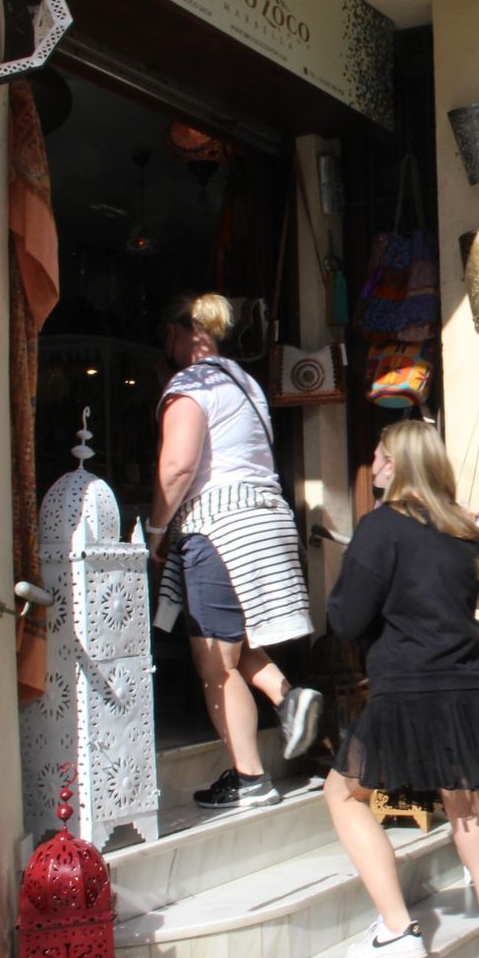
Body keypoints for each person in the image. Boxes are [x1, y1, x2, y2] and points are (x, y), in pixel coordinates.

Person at [324, 421, 479, 958]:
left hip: (407, 694)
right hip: (469, 694)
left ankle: (397, 926)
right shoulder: (462, 531)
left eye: (379, 454)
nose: (373, 464)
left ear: (399, 463)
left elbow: (347, 619)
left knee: (343, 795)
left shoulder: (381, 527)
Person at [149, 292, 322, 809]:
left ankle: (251, 779)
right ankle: (289, 698)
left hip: (219, 525)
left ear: (176, 333)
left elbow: (178, 467)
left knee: (214, 662)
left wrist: (155, 532)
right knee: (230, 642)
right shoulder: (244, 382)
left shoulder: (192, 385)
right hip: (264, 520)